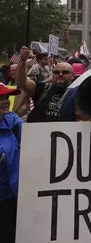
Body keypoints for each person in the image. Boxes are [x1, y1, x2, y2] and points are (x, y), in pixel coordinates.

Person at [16, 47, 75, 122]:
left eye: (65, 72)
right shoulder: (43, 89)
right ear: (52, 75)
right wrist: (22, 61)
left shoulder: (77, 93)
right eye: (56, 72)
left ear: (73, 75)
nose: (60, 74)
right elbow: (22, 83)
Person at [0, 84, 22, 243]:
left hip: (9, 198)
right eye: (0, 98)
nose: (6, 101)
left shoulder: (12, 120)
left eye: (6, 97)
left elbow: (38, 141)